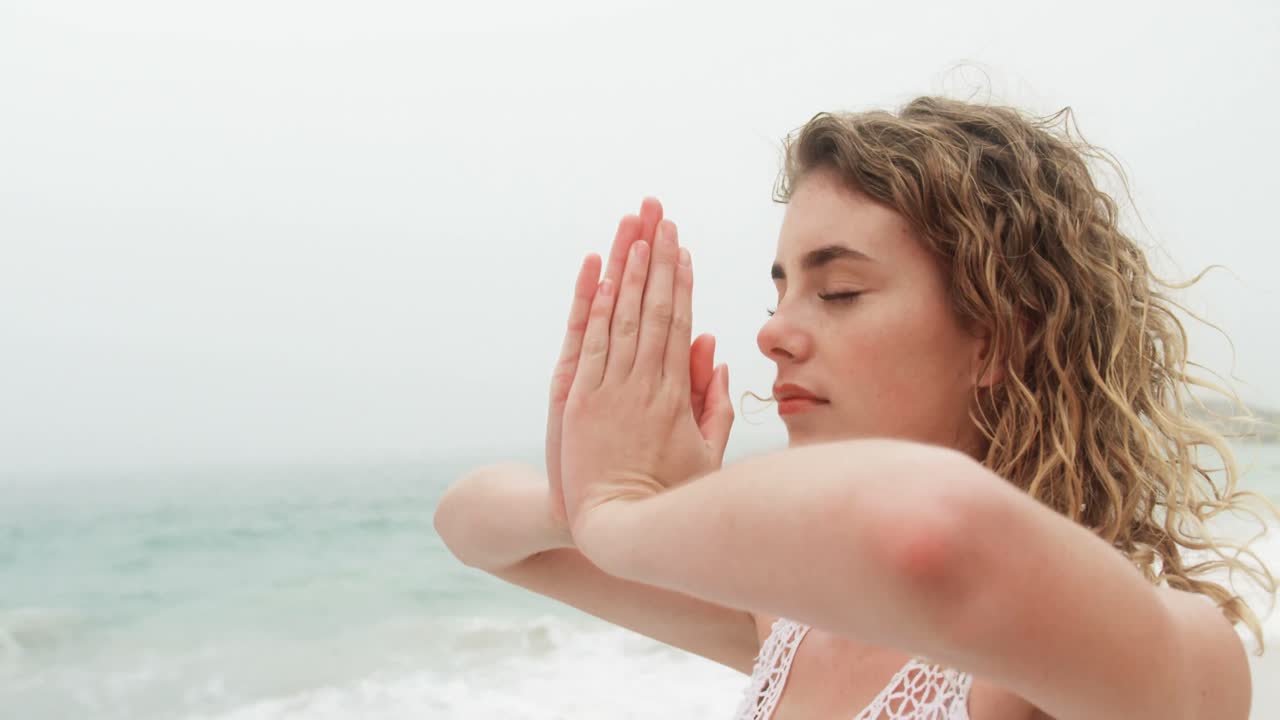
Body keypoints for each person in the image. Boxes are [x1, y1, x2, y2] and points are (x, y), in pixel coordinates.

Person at [433, 96, 1278, 719]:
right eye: (781, 293)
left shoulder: (1159, 655)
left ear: (993, 338)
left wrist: (626, 519)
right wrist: (597, 498)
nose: (773, 337)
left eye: (838, 291)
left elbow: (932, 528)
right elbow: (471, 526)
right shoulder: (799, 623)